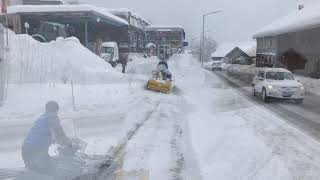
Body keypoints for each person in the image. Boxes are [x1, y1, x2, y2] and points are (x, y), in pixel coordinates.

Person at [22, 101, 72, 176]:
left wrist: (53, 140)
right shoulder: (52, 117)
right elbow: (59, 133)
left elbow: (42, 134)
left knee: (34, 173)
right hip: (37, 150)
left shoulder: (42, 117)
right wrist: (69, 144)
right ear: (56, 110)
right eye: (57, 110)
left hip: (26, 149)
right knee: (51, 172)